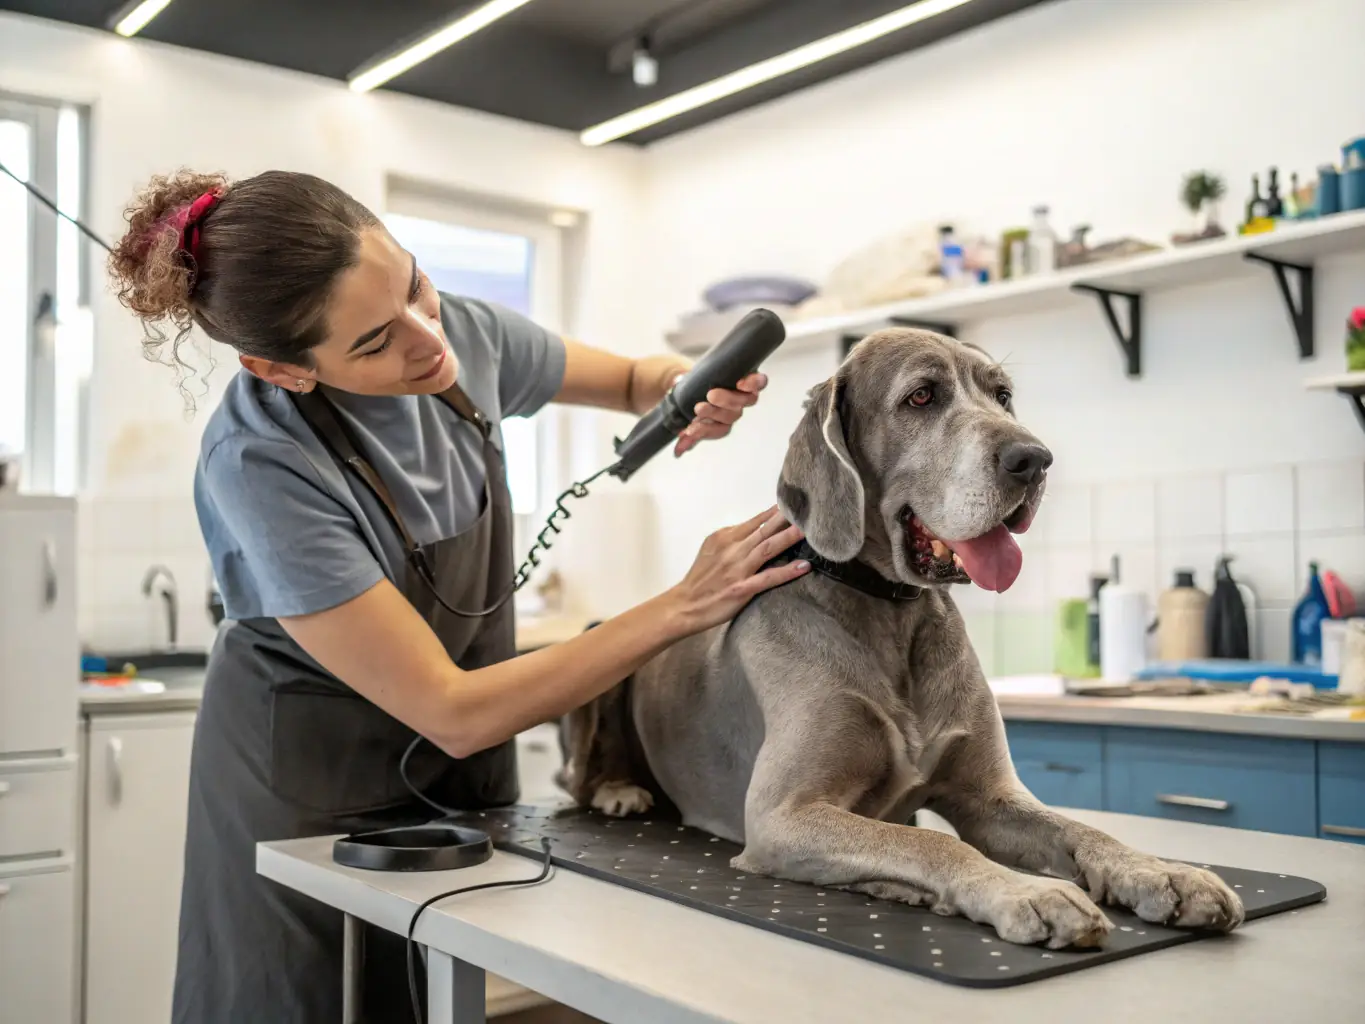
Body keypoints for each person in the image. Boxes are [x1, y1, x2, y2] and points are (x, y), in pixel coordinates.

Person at [106, 168, 810, 1023]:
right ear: (281, 369)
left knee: (439, 992)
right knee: (307, 999)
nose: (425, 341)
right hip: (306, 784)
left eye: (415, 285)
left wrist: (685, 387)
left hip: (460, 774)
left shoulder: (456, 337)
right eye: (372, 343)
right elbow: (455, 708)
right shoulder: (261, 463)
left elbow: (633, 381)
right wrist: (685, 606)